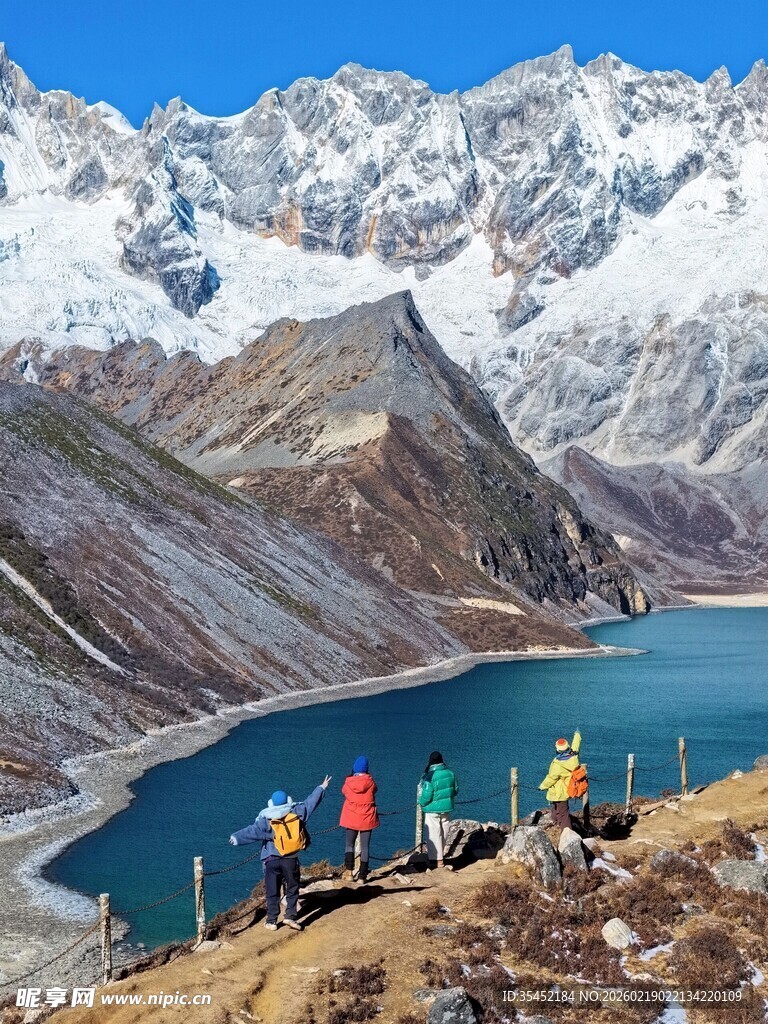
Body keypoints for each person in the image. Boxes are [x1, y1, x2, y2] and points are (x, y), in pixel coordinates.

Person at [229, 774, 331, 931]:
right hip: (291, 858)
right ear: (288, 800)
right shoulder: (296, 812)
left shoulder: (266, 818)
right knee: (292, 887)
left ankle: (271, 920)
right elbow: (311, 803)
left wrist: (235, 838)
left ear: (271, 803)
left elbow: (252, 831)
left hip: (271, 860)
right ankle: (290, 916)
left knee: (272, 891)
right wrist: (321, 787)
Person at [339, 755, 380, 883]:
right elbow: (375, 790)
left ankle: (349, 872)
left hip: (351, 817)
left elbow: (344, 792)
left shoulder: (348, 783)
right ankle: (362, 876)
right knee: (365, 847)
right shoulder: (371, 783)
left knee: (349, 844)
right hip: (367, 818)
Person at [418, 751, 458, 869]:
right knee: (444, 831)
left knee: (434, 834)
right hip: (446, 807)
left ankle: (436, 860)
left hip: (432, 809)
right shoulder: (450, 773)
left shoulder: (429, 776)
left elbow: (427, 795)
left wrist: (421, 802)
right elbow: (455, 790)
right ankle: (441, 857)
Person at [539, 730, 582, 831]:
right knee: (556, 809)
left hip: (559, 791)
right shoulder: (573, 756)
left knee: (563, 814)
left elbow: (551, 778)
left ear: (557, 749)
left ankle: (567, 835)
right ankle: (556, 828)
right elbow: (576, 745)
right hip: (567, 789)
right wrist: (577, 734)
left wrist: (542, 787)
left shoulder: (558, 764)